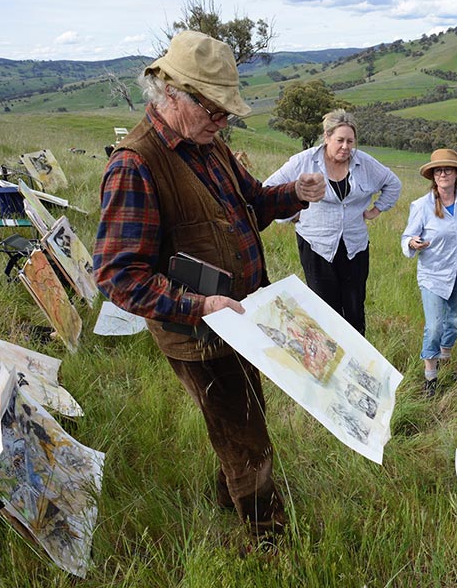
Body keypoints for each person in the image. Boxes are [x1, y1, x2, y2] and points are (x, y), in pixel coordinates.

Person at [92, 31, 326, 539]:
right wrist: (199, 305)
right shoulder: (135, 164)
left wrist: (295, 194)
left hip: (240, 318)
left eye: (226, 113)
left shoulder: (210, 144)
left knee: (242, 416)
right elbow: (117, 275)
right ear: (172, 94)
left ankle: (229, 496)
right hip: (199, 335)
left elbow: (252, 205)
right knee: (247, 438)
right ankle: (267, 539)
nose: (223, 122)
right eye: (215, 110)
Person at [265, 109, 401, 336]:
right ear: (327, 137)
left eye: (350, 141)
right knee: (324, 309)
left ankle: (358, 363)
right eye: (340, 140)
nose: (346, 147)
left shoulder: (364, 163)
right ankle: (328, 362)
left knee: (355, 306)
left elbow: (392, 183)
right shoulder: (303, 161)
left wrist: (377, 209)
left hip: (354, 247)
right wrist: (289, 215)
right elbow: (268, 191)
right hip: (316, 246)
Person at [401, 149, 457, 397]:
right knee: (435, 326)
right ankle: (431, 378)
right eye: (438, 170)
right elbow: (407, 237)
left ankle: (446, 362)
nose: (443, 174)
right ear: (433, 176)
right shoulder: (421, 205)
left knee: (454, 324)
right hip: (433, 275)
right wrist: (413, 243)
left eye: (448, 169)